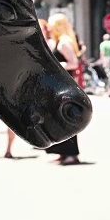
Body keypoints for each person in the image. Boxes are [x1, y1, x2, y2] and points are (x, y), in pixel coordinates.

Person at [41, 15, 81, 165]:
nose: (49, 28)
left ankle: (71, 154)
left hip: (66, 85)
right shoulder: (59, 41)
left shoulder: (64, 43)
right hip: (60, 85)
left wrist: (58, 66)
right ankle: (62, 152)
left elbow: (74, 63)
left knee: (67, 118)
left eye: (51, 25)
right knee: (59, 118)